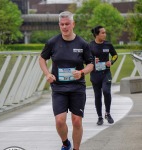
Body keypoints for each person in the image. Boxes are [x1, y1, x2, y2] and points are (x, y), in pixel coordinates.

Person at [39, 11, 94, 150]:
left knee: (76, 121)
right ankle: (65, 143)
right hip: (58, 88)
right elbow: (41, 59)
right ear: (59, 25)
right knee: (59, 121)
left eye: (67, 24)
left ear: (73, 24)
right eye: (62, 24)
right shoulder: (52, 42)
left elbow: (91, 64)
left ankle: (76, 149)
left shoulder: (82, 44)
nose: (64, 27)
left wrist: (81, 72)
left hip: (77, 88)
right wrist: (47, 74)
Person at [89, 25, 118, 126]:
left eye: (105, 32)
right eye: (102, 33)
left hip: (106, 73)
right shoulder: (90, 45)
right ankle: (100, 117)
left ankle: (108, 113)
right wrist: (93, 60)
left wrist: (111, 61)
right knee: (97, 96)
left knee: (106, 92)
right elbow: (84, 59)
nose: (105, 34)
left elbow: (115, 55)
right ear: (96, 34)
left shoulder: (108, 44)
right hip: (95, 74)